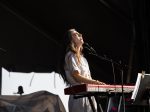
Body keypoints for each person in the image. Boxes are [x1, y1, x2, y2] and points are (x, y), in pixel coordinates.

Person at [61, 28, 106, 112]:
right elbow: (76, 76)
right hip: (79, 97)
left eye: (79, 33)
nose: (80, 35)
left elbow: (88, 78)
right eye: (76, 34)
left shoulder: (83, 59)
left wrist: (98, 85)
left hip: (89, 95)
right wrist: (95, 82)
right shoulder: (70, 55)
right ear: (70, 40)